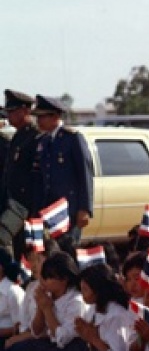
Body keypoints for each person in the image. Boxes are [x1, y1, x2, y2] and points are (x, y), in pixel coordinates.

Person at [34, 263, 134, 351]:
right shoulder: (95, 307)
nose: (82, 294)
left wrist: (94, 339)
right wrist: (86, 335)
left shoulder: (115, 314)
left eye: (85, 290)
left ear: (97, 290)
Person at [31, 95, 94, 244]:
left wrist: (84, 209)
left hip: (68, 211)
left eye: (42, 116)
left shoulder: (72, 138)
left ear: (55, 116)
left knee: (67, 253)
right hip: (48, 211)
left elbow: (85, 174)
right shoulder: (43, 141)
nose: (38, 121)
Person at [1, 90, 40, 259]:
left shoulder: (35, 137)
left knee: (31, 254)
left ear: (25, 111)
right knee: (18, 252)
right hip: (14, 208)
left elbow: (37, 177)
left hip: (27, 209)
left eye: (12, 112)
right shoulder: (18, 137)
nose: (8, 116)